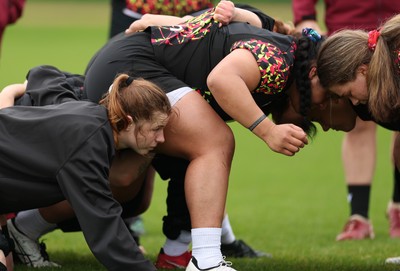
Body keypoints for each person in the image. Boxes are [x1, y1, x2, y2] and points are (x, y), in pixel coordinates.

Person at [0, 67, 172, 271]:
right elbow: (104, 228)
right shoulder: (88, 144)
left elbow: (45, 77)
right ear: (128, 122)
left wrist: (14, 90)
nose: (161, 139)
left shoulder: (90, 117)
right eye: (156, 129)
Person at [293, 0, 400, 241]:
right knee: (360, 124)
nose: (351, 102)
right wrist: (304, 16)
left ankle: (398, 207)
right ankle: (359, 216)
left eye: (349, 95)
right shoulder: (355, 83)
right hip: (347, 36)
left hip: (393, 33)